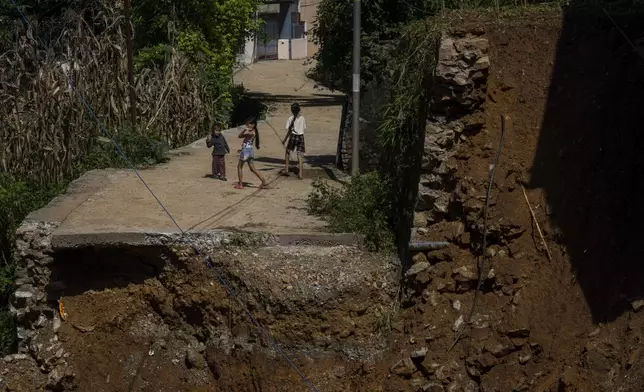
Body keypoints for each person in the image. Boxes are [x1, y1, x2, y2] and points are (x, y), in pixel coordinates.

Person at [235, 117, 269, 190]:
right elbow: (240, 136)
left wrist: (245, 130)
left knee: (239, 167)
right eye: (248, 124)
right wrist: (245, 130)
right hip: (250, 151)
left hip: (246, 151)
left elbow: (242, 135)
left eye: (250, 124)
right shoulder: (254, 132)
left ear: (254, 124)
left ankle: (240, 184)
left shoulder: (251, 132)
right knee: (252, 168)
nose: (249, 125)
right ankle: (264, 181)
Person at [282, 102, 306, 179]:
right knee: (300, 154)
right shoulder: (302, 118)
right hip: (301, 137)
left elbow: (289, 131)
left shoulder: (290, 119)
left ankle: (286, 169)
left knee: (287, 152)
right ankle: (301, 173)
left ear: (292, 110)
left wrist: (285, 140)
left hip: (293, 136)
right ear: (299, 110)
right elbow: (304, 128)